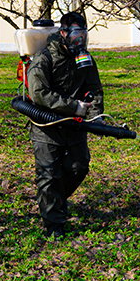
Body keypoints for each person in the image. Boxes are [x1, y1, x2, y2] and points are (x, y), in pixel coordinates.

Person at [25, 12, 104, 238]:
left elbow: (94, 88)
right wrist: (73, 107)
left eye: (84, 34)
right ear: (63, 34)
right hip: (46, 128)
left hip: (75, 126)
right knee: (49, 176)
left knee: (79, 167)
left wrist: (96, 116)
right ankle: (54, 224)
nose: (80, 40)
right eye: (76, 34)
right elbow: (38, 93)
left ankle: (53, 201)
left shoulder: (84, 59)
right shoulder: (44, 59)